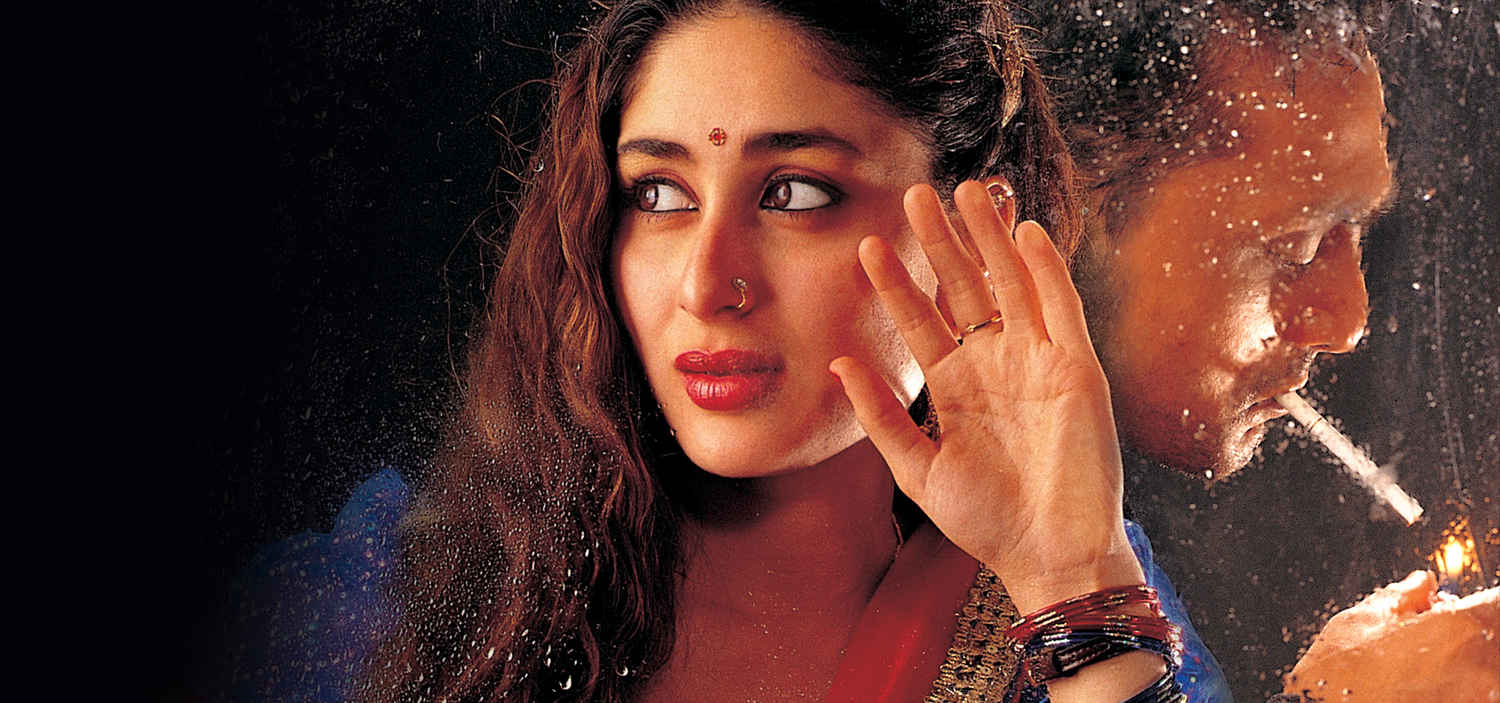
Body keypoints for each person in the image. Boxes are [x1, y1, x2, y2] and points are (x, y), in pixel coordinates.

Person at [229, 1, 1222, 701]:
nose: (707, 285)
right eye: (659, 195)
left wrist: (1069, 582)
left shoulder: (1074, 604)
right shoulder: (398, 595)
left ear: (974, 228)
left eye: (794, 194)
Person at [1029, 0, 1499, 700]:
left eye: (1356, 231)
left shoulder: (1091, 534)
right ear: (1067, 208)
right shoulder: (948, 555)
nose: (1348, 323)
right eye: (1295, 245)